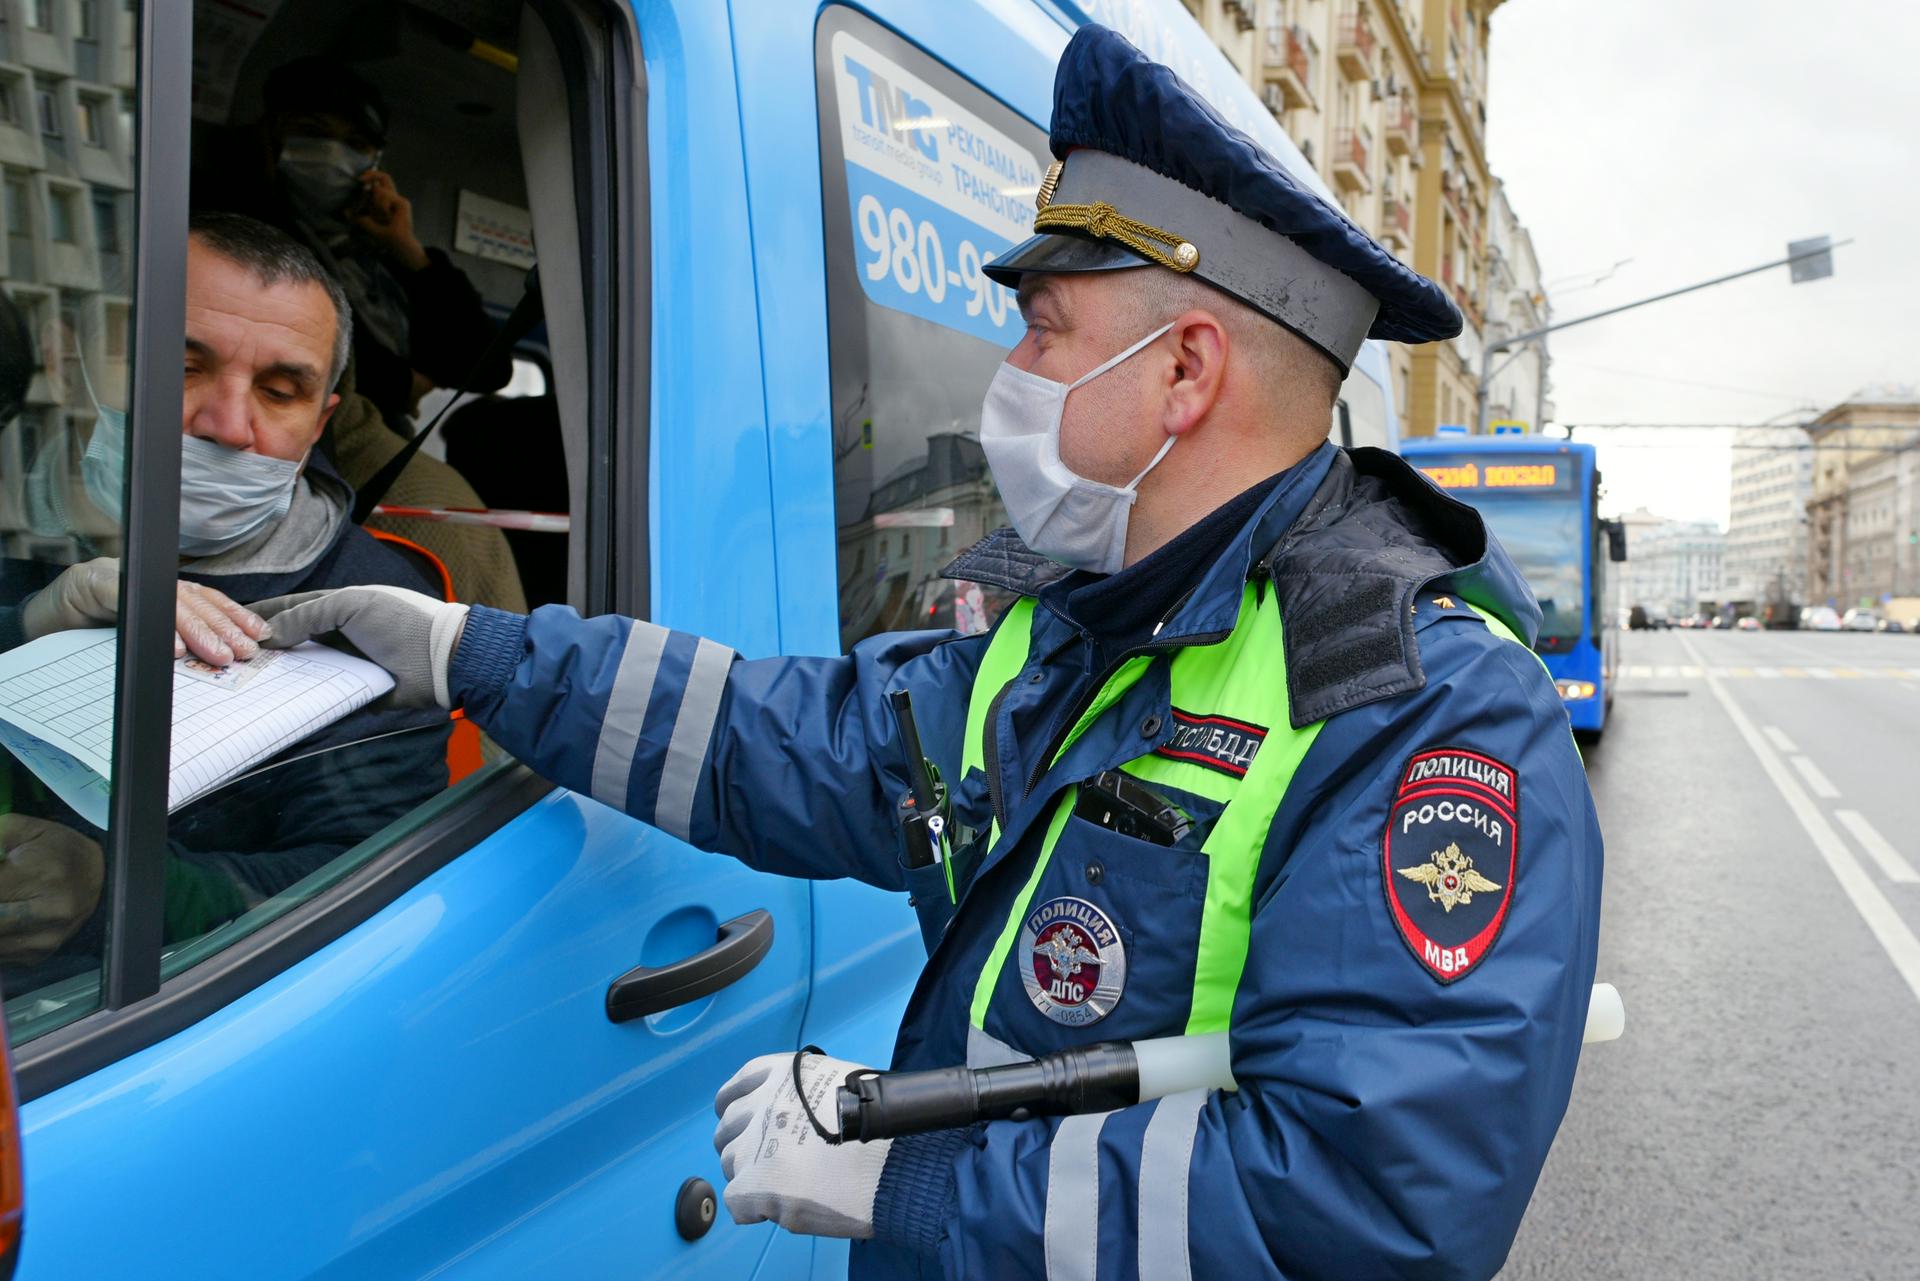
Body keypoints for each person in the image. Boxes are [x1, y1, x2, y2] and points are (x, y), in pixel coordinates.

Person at [256, 27, 1603, 1281]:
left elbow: (1369, 1206)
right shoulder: (1069, 621)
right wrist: (467, 651)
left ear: (1187, 372)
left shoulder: (1425, 714)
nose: (1006, 373)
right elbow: (775, 736)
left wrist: (912, 1184)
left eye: (1043, 330)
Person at [0, 211, 450, 975]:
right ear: (67, 352)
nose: (229, 424)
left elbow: (362, 884)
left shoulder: (363, 612)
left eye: (279, 391)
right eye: (179, 366)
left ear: (320, 422)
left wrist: (125, 892)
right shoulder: (18, 520)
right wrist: (27, 623)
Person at [195, 55, 510, 426]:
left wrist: (411, 254)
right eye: (312, 132)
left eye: (355, 143)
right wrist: (398, 383)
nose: (332, 151)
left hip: (376, 430)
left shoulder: (383, 254)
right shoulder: (233, 223)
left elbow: (487, 369)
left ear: (373, 162)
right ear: (273, 134)